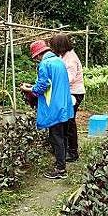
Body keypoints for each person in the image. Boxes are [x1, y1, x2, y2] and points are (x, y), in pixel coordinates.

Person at [20, 40, 74, 179]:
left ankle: (60, 169)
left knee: (55, 137)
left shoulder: (45, 64)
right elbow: (52, 83)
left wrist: (28, 89)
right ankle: (61, 164)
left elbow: (42, 86)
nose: (36, 60)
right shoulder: (58, 61)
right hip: (64, 104)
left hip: (54, 106)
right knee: (62, 136)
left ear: (38, 55)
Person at [49, 34, 85, 163]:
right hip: (67, 93)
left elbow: (68, 79)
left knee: (69, 122)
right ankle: (64, 149)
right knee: (65, 121)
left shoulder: (71, 59)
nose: (52, 49)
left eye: (53, 46)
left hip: (74, 93)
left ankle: (73, 152)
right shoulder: (63, 56)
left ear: (59, 46)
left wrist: (51, 84)